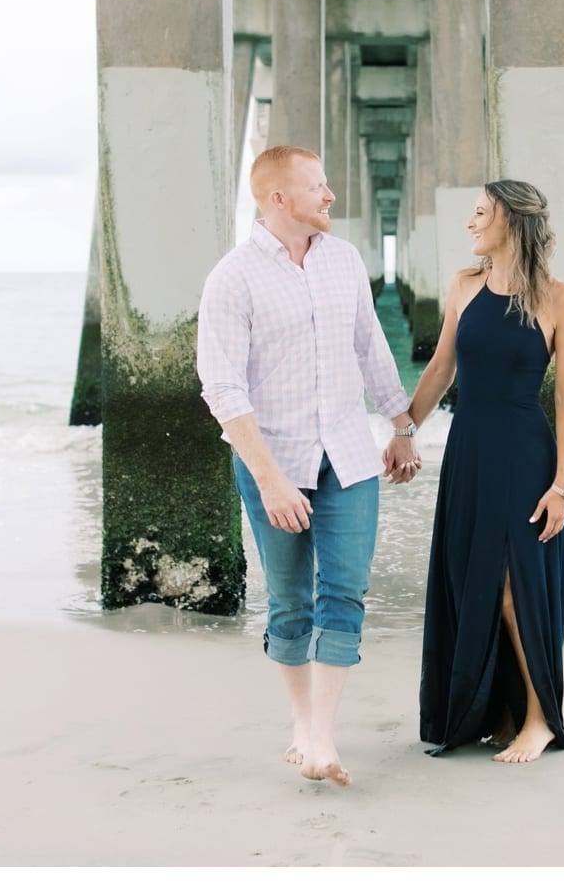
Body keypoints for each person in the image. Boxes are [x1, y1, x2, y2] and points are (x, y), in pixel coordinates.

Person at [197, 145, 422, 787]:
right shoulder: (233, 278)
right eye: (317, 186)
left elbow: (371, 347)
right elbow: (222, 388)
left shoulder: (344, 260)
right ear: (279, 199)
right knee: (290, 600)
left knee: (344, 590)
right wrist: (269, 478)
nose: (329, 197)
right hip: (275, 461)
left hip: (349, 457)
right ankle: (302, 724)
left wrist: (400, 425)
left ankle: (323, 736)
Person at [400, 179, 564, 763]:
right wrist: (404, 429)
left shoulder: (560, 299)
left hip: (526, 456)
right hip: (470, 452)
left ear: (511, 221)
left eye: (480, 213)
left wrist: (562, 486)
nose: (470, 223)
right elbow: (440, 371)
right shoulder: (463, 287)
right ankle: (495, 712)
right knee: (473, 580)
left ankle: (539, 719)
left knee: (512, 586)